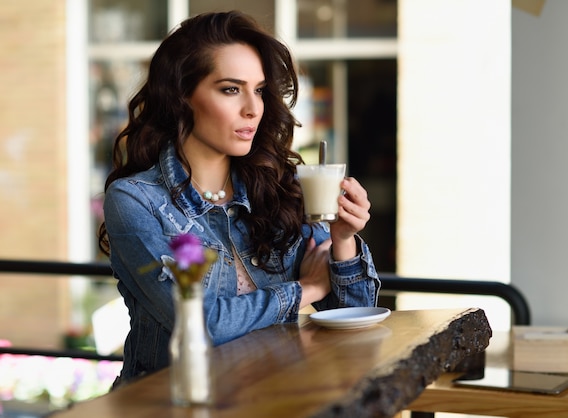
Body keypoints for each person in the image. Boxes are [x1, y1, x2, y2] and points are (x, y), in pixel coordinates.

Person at [98, 10, 380, 385]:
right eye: (231, 89)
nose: (253, 108)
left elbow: (356, 315)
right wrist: (305, 289)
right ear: (182, 96)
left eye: (259, 90)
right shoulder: (135, 201)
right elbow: (199, 322)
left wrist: (343, 240)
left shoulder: (278, 188)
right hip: (171, 405)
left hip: (273, 399)